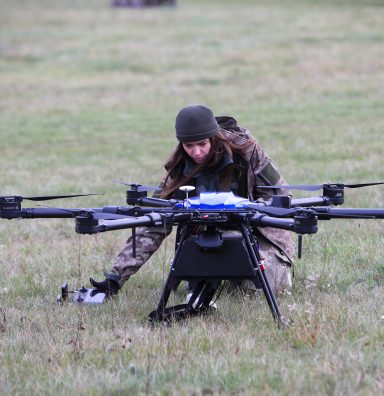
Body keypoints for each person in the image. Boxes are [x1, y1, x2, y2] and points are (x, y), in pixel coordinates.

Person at [90, 104, 295, 297]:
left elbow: (281, 196)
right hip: (207, 236)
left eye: (202, 144)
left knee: (266, 287)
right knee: (200, 283)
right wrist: (116, 278)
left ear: (214, 138)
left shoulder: (247, 152)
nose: (196, 152)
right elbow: (154, 222)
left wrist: (248, 211)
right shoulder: (179, 169)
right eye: (189, 146)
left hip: (256, 233)